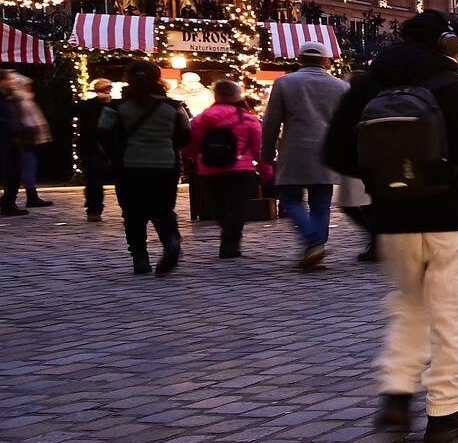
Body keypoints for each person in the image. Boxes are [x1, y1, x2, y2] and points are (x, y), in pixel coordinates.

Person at [324, 11, 458, 443]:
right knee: (457, 315)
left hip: (394, 221)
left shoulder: (365, 91)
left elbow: (336, 154)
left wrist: (388, 176)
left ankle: (397, 395)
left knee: (408, 308)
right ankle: (445, 411)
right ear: (448, 44)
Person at [263, 43, 352, 271]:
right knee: (321, 204)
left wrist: (266, 151)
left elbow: (272, 121)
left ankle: (312, 241)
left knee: (291, 201)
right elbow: (347, 124)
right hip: (326, 151)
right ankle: (317, 249)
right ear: (326, 61)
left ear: (300, 59)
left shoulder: (284, 83)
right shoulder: (340, 86)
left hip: (294, 149)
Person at [97, 62, 190, 274]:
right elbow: (185, 135)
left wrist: (116, 156)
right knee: (163, 208)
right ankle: (170, 241)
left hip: (129, 166)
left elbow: (103, 135)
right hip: (165, 164)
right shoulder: (174, 107)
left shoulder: (114, 108)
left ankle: (140, 257)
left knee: (132, 213)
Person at [184, 79, 263, 260]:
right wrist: (265, 170)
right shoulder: (248, 119)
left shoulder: (200, 120)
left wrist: (197, 159)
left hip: (209, 169)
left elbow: (191, 145)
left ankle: (228, 235)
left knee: (219, 206)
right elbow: (258, 148)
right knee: (237, 207)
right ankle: (230, 242)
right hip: (240, 169)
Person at [0, 71, 50, 212]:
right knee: (16, 169)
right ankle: (9, 202)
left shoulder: (12, 97)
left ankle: (9, 201)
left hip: (17, 137)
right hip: (12, 137)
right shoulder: (14, 98)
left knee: (19, 168)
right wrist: (18, 129)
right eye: (8, 79)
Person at [75, 79, 116, 220]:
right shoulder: (91, 106)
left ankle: (94, 209)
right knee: (94, 179)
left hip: (97, 146)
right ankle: (94, 209)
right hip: (95, 146)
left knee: (94, 179)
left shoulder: (88, 106)